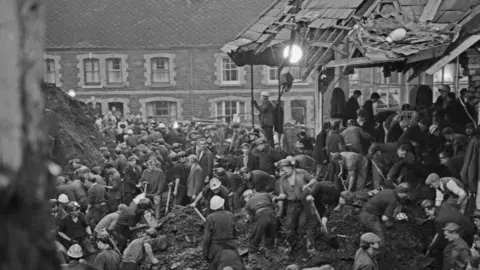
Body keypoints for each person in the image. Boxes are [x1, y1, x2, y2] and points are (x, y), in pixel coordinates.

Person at [274, 158, 317, 254]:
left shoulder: (301, 173)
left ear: (290, 168)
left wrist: (308, 187)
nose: (281, 173)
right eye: (280, 171)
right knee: (290, 226)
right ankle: (291, 246)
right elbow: (283, 194)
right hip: (292, 204)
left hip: (305, 202)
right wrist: (277, 198)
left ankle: (307, 246)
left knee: (302, 224)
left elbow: (314, 181)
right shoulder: (282, 179)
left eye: (283, 170)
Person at [244, 189, 278, 263]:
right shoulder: (265, 194)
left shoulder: (248, 203)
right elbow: (276, 199)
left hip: (261, 214)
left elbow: (250, 218)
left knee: (256, 234)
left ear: (247, 197)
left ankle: (252, 255)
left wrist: (249, 221)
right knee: (271, 233)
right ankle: (269, 251)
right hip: (272, 213)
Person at [203, 196, 237, 263]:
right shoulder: (231, 215)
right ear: (222, 205)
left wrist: (205, 253)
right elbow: (235, 232)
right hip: (230, 246)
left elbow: (206, 238)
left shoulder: (210, 218)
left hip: (216, 248)